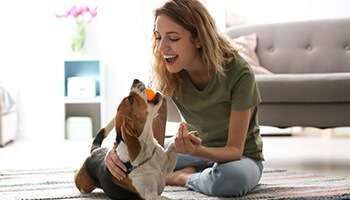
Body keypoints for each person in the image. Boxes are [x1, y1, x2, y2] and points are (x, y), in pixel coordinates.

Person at [105, 0, 264, 197]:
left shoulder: (239, 73)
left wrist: (196, 152)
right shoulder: (163, 71)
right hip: (190, 148)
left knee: (231, 180)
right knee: (128, 160)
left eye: (173, 38)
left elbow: (234, 151)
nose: (162, 47)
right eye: (158, 37)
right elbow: (154, 142)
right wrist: (117, 154)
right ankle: (199, 173)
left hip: (240, 159)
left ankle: (183, 178)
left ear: (198, 39)